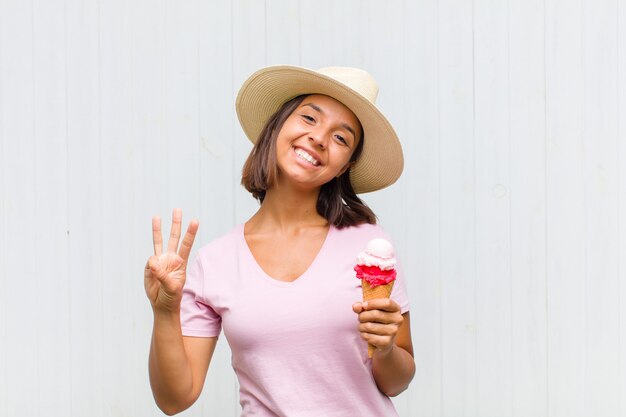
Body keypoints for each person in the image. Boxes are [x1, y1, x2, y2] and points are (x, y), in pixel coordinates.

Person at [144, 66, 415, 416]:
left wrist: (387, 347)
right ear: (277, 126)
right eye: (309, 118)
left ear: (344, 167)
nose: (319, 138)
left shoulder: (371, 247)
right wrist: (165, 312)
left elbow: (397, 381)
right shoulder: (216, 262)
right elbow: (174, 399)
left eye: (341, 138)